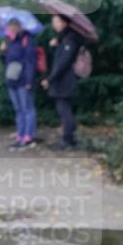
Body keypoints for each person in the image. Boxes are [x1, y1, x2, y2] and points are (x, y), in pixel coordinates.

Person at [41, 14, 82, 149]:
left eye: (57, 21)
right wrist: (56, 43)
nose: (54, 24)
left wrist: (50, 79)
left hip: (65, 80)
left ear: (65, 23)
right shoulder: (63, 39)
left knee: (64, 110)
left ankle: (68, 140)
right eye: (53, 21)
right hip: (62, 80)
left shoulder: (69, 40)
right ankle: (69, 138)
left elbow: (63, 63)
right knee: (64, 109)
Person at [0, 18, 38, 150]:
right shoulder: (9, 41)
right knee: (18, 109)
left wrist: (29, 80)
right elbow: (7, 63)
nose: (10, 30)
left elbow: (30, 61)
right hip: (12, 80)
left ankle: (29, 135)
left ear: (18, 27)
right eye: (9, 27)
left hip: (23, 80)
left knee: (27, 108)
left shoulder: (27, 40)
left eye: (12, 27)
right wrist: (4, 52)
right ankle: (20, 134)